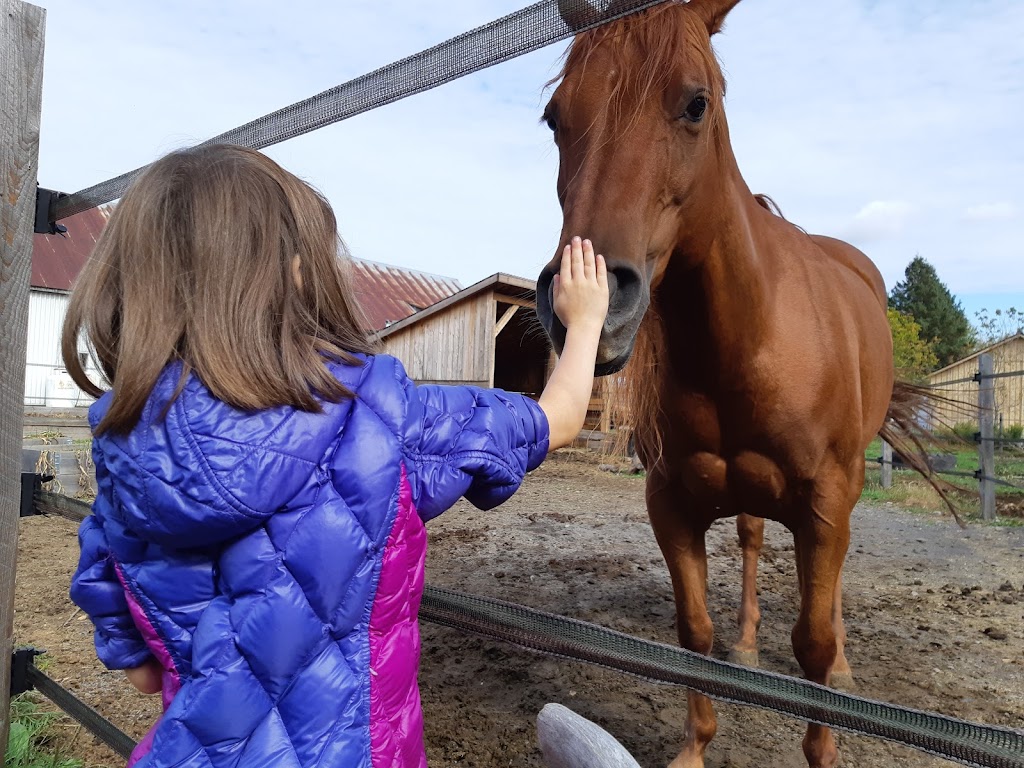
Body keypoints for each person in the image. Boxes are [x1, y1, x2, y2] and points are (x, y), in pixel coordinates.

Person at [62, 143, 609, 768]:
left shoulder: (123, 449)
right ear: (296, 273)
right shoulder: (380, 413)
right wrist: (586, 318)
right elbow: (556, 418)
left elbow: (139, 668)